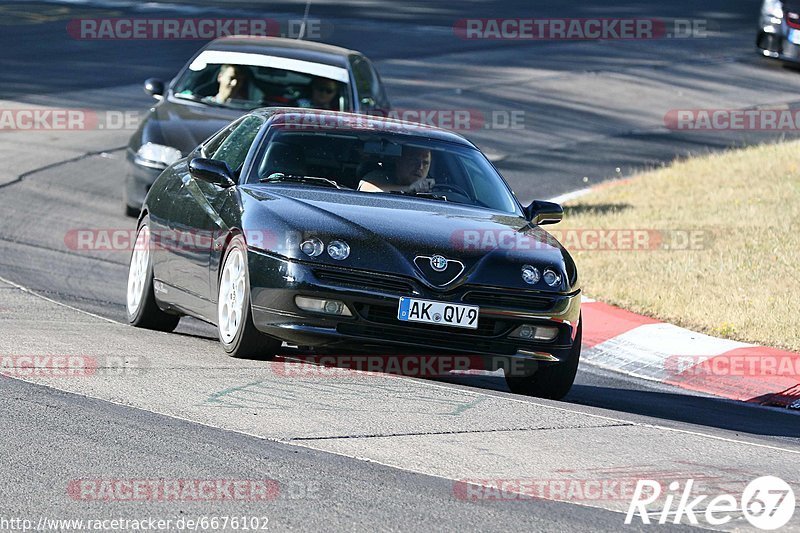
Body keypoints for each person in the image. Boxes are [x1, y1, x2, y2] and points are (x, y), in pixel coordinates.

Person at [358, 146, 435, 193]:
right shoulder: (379, 177)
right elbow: (367, 191)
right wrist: (410, 189)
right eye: (414, 161)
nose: (420, 167)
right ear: (399, 161)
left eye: (425, 163)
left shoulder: (435, 189)